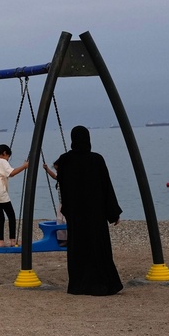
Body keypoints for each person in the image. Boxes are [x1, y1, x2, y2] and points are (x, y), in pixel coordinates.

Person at [54, 125, 123, 296]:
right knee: (98, 247)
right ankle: (103, 284)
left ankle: (79, 285)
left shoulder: (65, 160)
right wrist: (113, 213)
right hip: (95, 214)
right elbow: (106, 187)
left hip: (76, 214)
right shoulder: (96, 159)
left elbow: (60, 179)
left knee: (78, 249)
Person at [0, 144, 29, 247]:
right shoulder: (2, 161)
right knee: (11, 216)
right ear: (4, 153)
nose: (8, 159)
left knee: (0, 217)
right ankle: (12, 240)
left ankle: (0, 241)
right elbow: (12, 173)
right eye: (8, 157)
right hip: (0, 194)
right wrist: (24, 166)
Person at [42, 160, 68, 246]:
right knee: (60, 220)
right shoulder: (60, 177)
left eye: (58, 170)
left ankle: (67, 239)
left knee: (66, 221)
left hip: (67, 204)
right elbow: (54, 176)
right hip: (61, 203)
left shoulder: (67, 177)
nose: (57, 172)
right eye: (56, 170)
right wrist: (47, 169)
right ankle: (62, 239)